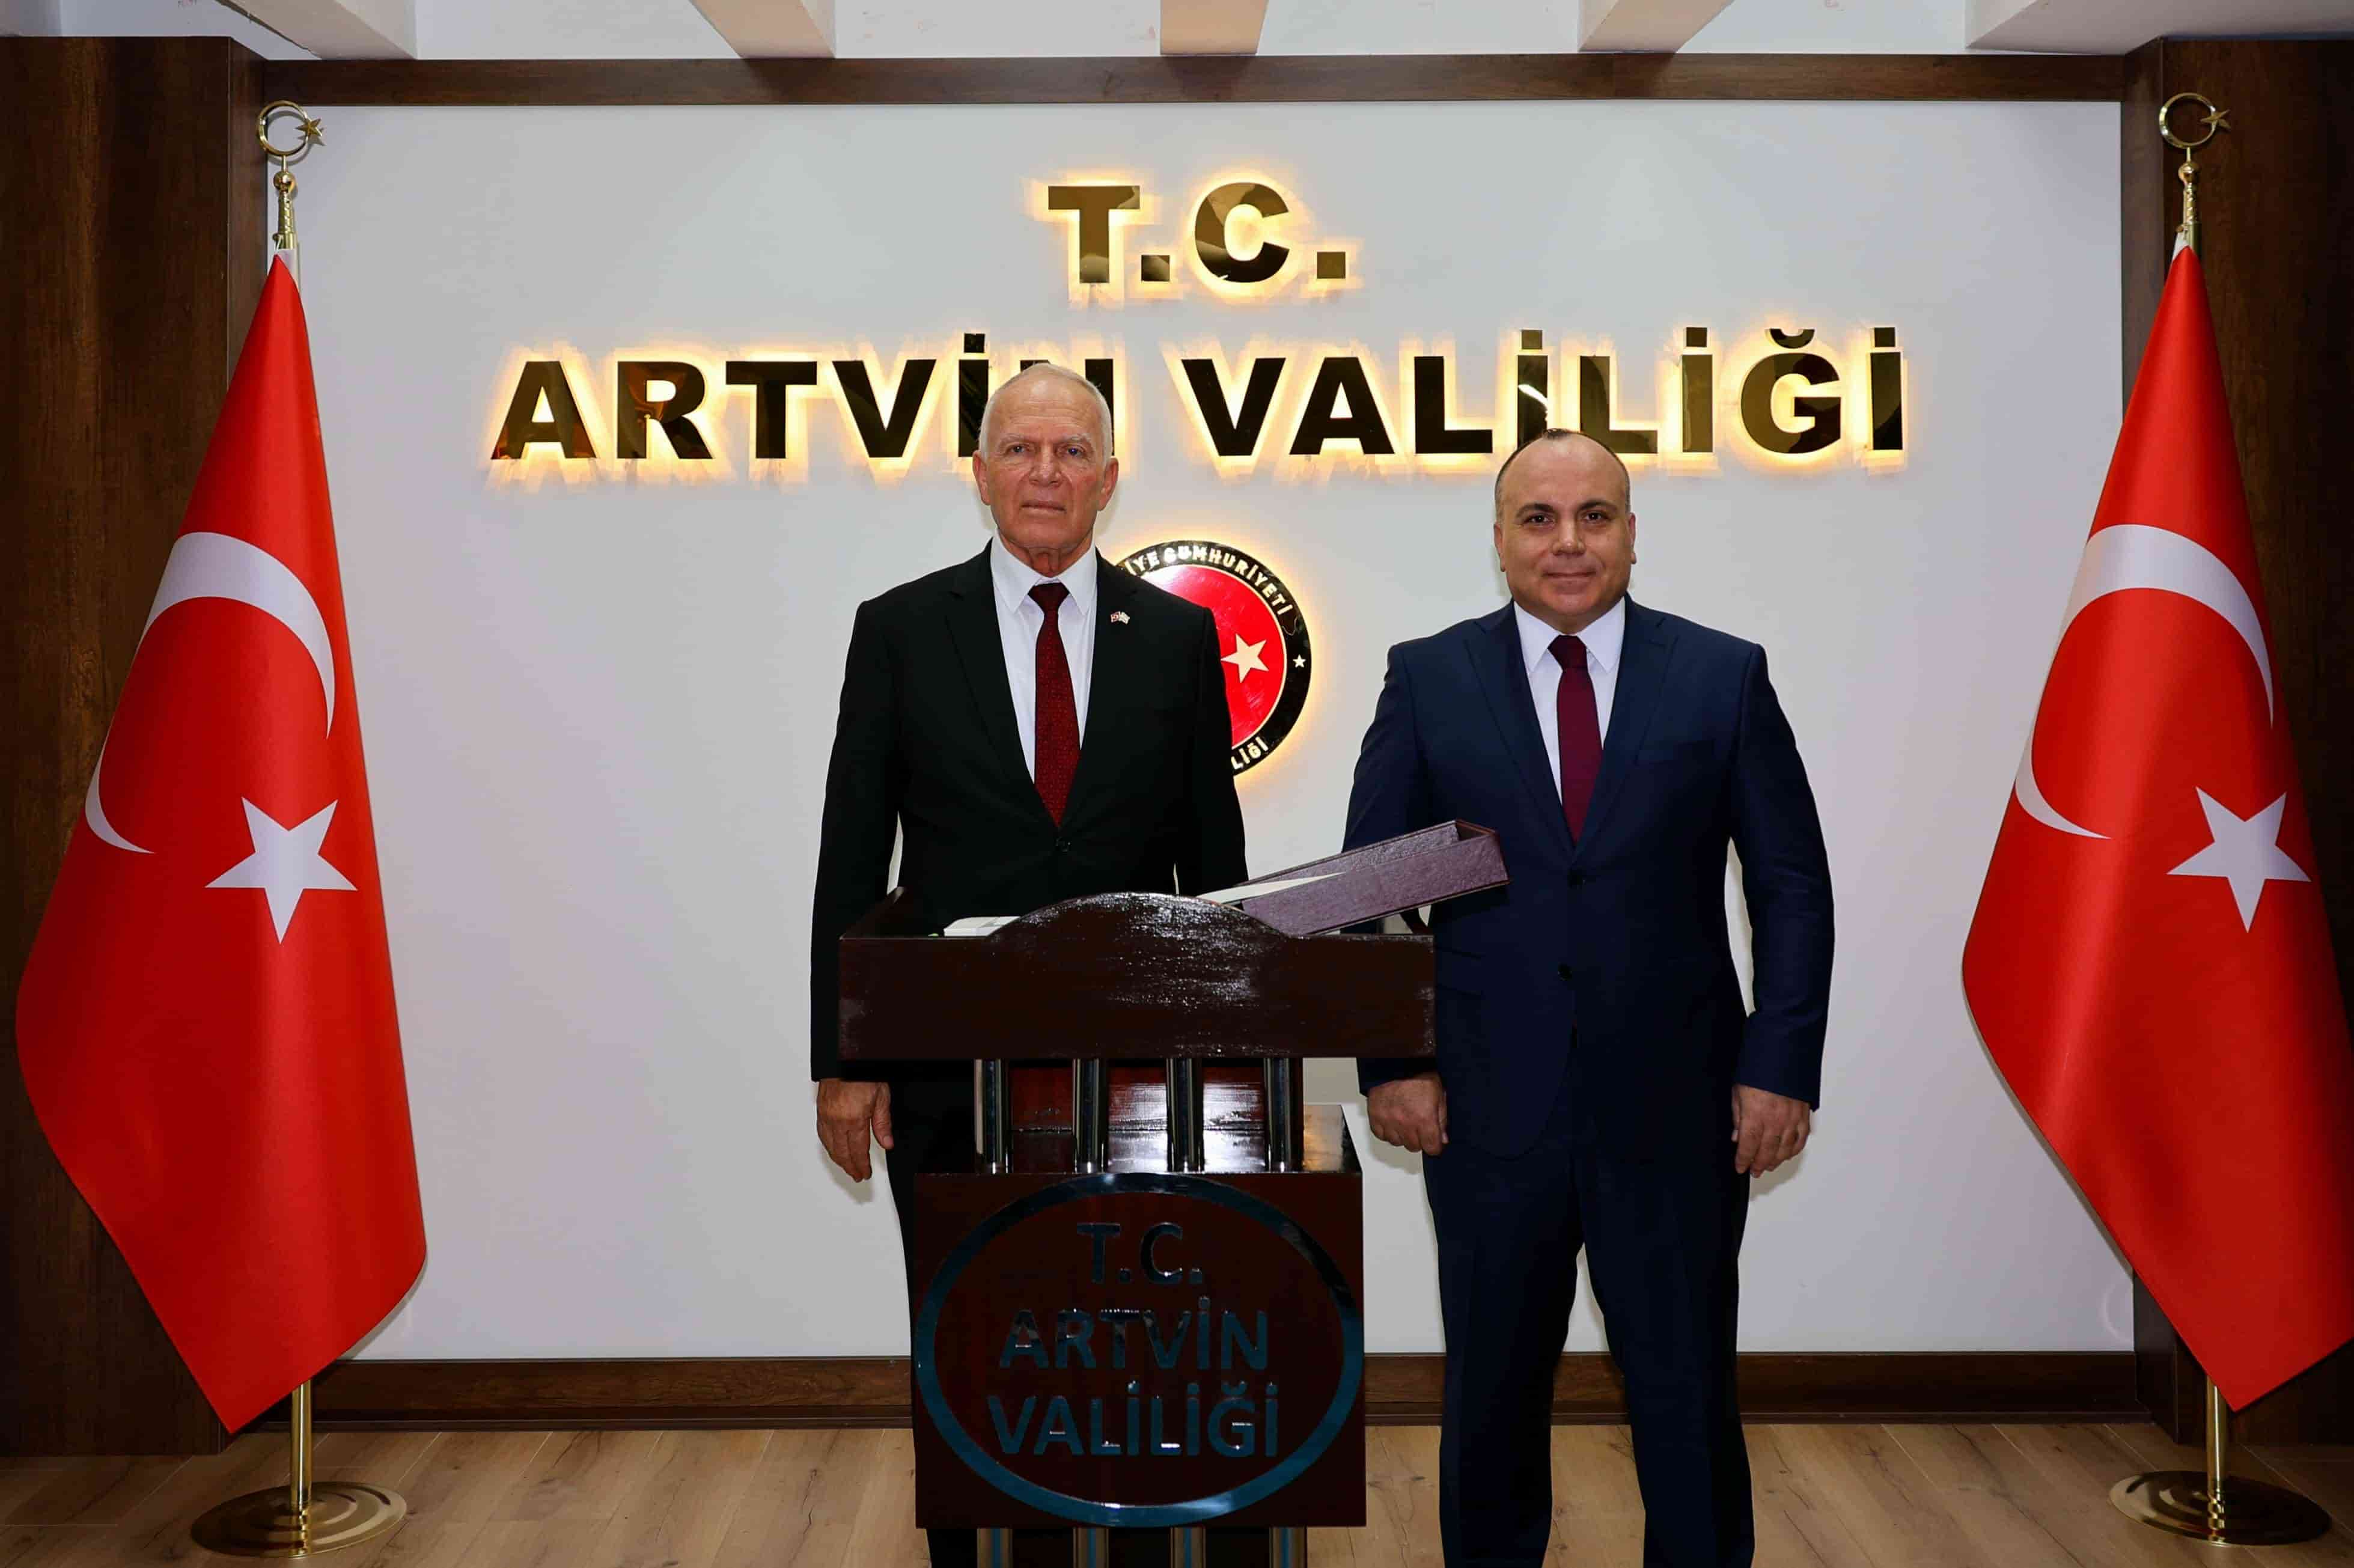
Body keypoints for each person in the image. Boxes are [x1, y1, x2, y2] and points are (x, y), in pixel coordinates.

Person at [1347, 429, 1834, 1567]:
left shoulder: (1720, 673)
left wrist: (1778, 1067)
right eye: (1539, 518)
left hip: (1679, 1109)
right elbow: (1373, 890)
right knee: (1491, 1394)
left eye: (1593, 516)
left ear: (1629, 534)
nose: (1567, 542)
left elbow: (1790, 887)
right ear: (1500, 540)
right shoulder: (1429, 675)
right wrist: (1395, 1061)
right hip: (1484, 1105)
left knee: (1685, 1390)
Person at [807, 362, 1247, 1568]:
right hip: (947, 1065)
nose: (1045, 472)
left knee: (1133, 1340)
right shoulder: (901, 629)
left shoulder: (1177, 636)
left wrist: (1226, 1058)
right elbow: (852, 860)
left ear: (1108, 479)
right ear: (981, 472)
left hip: (1135, 1071)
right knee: (967, 1333)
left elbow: (1213, 868)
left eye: (1070, 451)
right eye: (1020, 448)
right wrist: (844, 1057)